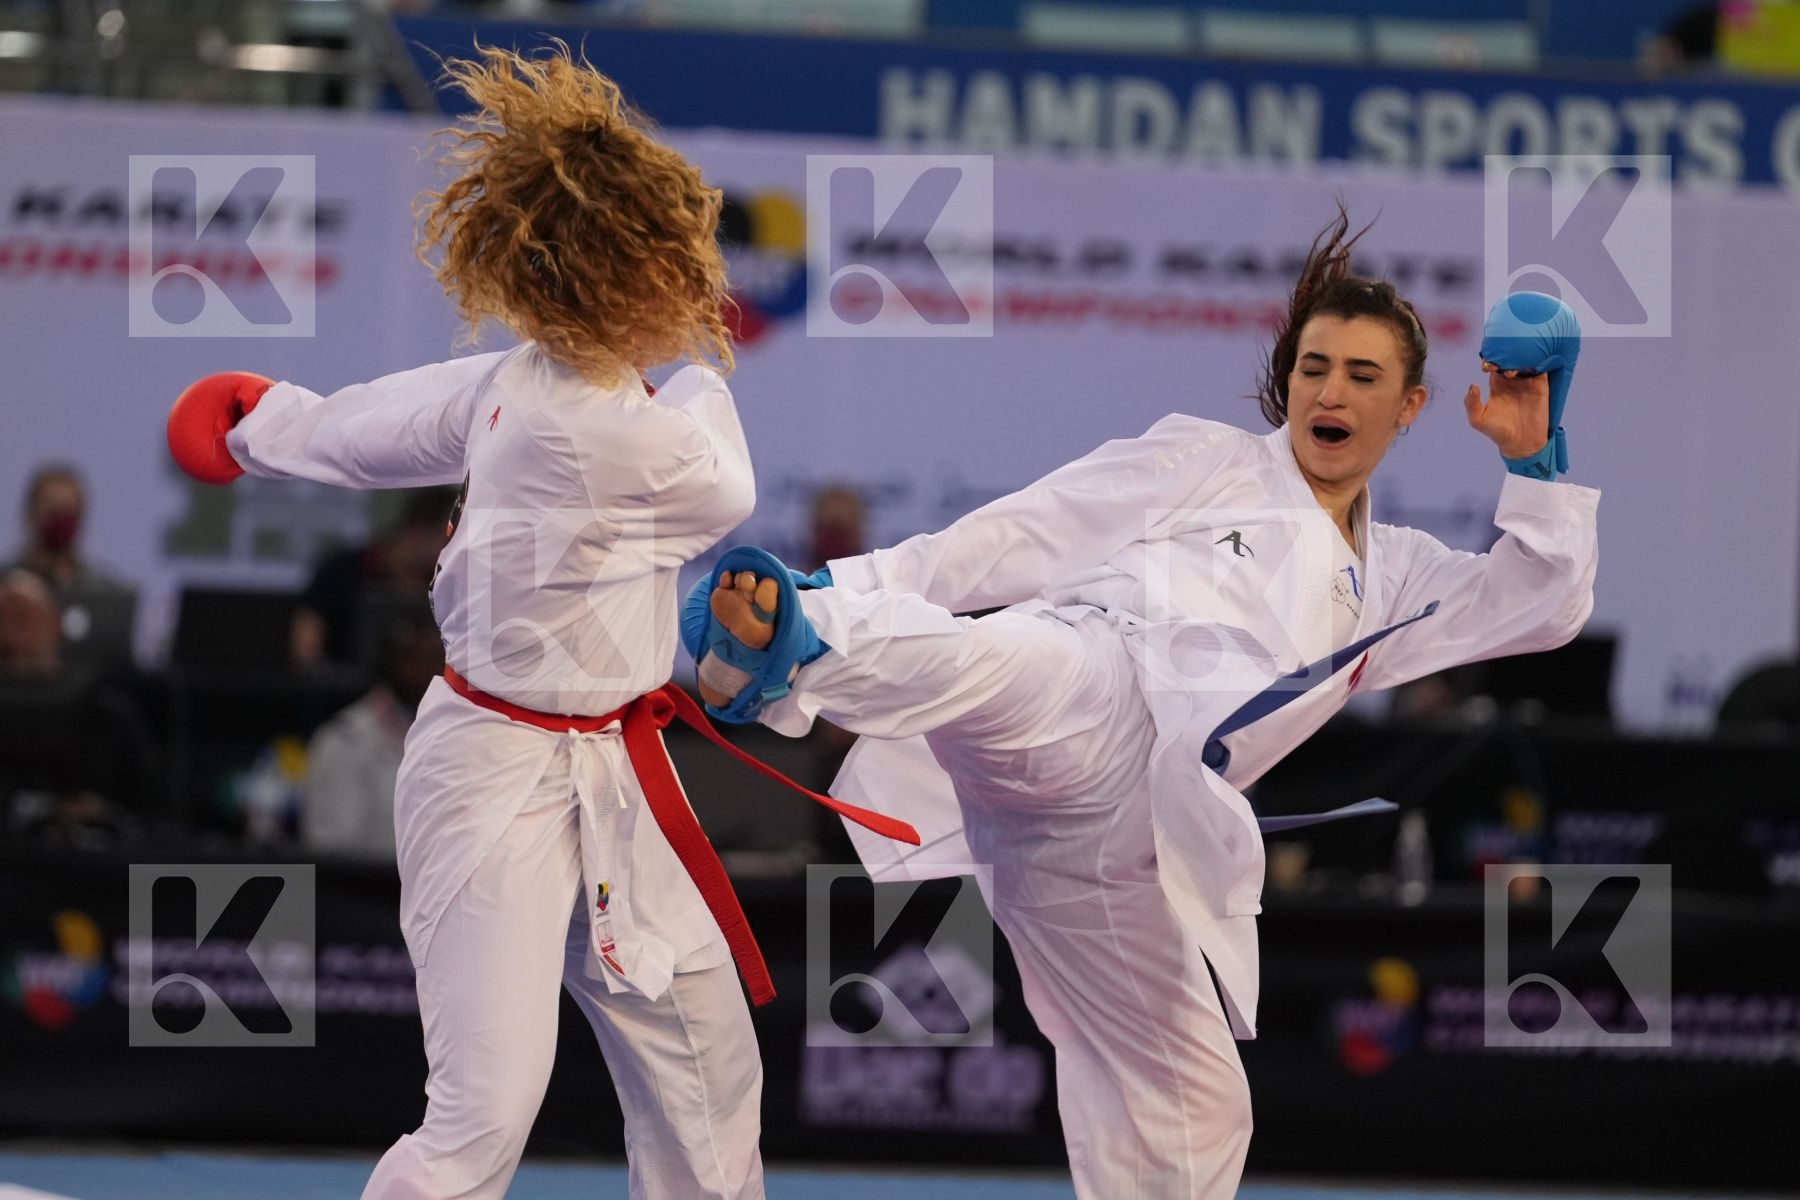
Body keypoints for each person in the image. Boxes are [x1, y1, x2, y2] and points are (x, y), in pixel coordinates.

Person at [692, 210, 1599, 1199]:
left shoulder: (1397, 577)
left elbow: (1542, 606)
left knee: (1196, 1106)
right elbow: (1013, 537)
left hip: (1120, 852)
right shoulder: (1206, 461)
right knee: (1005, 664)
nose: (1329, 391)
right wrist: (838, 587)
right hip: (1096, 680)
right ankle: (797, 639)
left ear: (1412, 405)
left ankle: (805, 639)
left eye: (1361, 376)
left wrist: (1534, 459)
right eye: (1313, 367)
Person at [163, 45, 909, 1200]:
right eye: (674, 256)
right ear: (630, 275)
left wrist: (265, 421)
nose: (696, 276)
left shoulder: (531, 380)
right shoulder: (623, 429)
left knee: (707, 1079)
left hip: (609, 767)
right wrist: (702, 372)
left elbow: (386, 422)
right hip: (495, 778)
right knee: (480, 1117)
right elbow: (729, 487)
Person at [302, 604, 444, 860]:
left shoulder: (469, 736)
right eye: (413, 658)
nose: (424, 670)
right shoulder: (345, 739)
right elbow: (332, 854)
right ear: (389, 661)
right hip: (369, 894)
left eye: (433, 658)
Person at [290, 485, 459, 672]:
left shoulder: (449, 586)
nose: (455, 549)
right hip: (344, 695)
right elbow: (305, 647)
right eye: (450, 539)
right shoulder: (341, 570)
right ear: (418, 530)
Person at [5, 463, 138, 671]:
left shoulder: (106, 592)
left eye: (69, 510)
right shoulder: (5, 585)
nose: (61, 518)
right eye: (52, 509)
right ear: (30, 513)